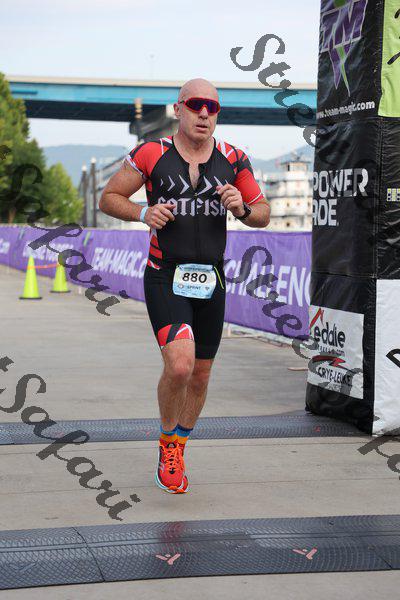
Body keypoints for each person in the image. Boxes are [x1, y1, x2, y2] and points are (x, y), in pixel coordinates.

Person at [99, 78, 270, 494]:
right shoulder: (152, 153)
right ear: (178, 110)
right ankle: (165, 443)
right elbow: (109, 197)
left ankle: (178, 446)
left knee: (201, 375)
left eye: (213, 107)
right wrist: (143, 213)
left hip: (211, 279)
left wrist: (242, 209)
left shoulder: (234, 158)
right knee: (180, 365)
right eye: (196, 105)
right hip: (165, 275)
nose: (205, 113)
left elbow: (263, 213)